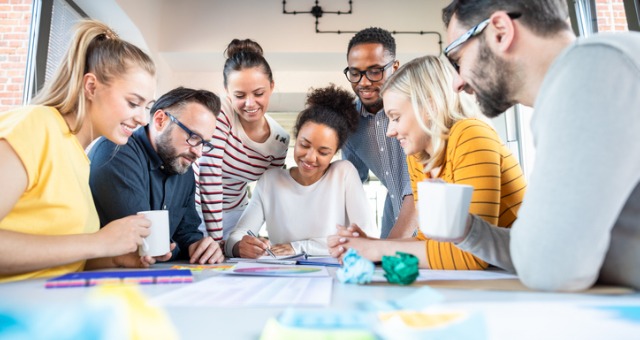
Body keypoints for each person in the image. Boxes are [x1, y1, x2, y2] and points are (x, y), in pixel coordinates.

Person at [441, 0, 640, 291]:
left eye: (457, 59)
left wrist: (551, 256)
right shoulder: (591, 71)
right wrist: (466, 230)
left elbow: (551, 268)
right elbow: (543, 249)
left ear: (500, 32)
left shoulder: (593, 69)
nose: (458, 83)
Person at [328, 55, 526, 269]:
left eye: (395, 117)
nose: (390, 131)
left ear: (430, 107)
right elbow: (427, 242)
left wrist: (378, 250)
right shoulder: (418, 158)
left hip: (530, 272)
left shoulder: (471, 134)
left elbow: (473, 254)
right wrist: (369, 245)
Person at [0, 20, 157, 282]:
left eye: (147, 107)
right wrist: (98, 242)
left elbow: (55, 258)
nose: (142, 119)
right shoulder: (35, 125)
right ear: (91, 87)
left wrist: (112, 257)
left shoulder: (79, 157)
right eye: (133, 103)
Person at [225, 85, 374, 258]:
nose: (310, 157)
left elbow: (365, 239)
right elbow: (236, 237)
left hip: (332, 276)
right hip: (283, 276)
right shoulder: (271, 180)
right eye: (304, 145)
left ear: (335, 152)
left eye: (323, 152)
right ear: (296, 138)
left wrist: (300, 247)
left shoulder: (343, 173)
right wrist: (239, 247)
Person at [89, 87, 225, 264]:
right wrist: (180, 249)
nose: (198, 152)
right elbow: (146, 245)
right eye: (193, 137)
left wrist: (201, 248)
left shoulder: (183, 168)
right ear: (160, 120)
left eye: (204, 143)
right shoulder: (116, 150)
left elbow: (187, 234)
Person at [195, 39, 290, 243]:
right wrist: (216, 240)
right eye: (239, 95)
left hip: (236, 214)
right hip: (195, 209)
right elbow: (209, 170)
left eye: (258, 93)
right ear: (227, 92)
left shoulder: (280, 140)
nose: (249, 104)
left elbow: (269, 192)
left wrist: (277, 239)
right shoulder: (221, 109)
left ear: (271, 86)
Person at [342, 27, 416, 239]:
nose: (363, 82)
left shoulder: (417, 108)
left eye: (375, 71)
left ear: (395, 67)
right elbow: (351, 184)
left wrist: (389, 246)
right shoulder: (350, 124)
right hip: (393, 222)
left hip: (433, 227)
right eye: (355, 73)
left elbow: (419, 187)